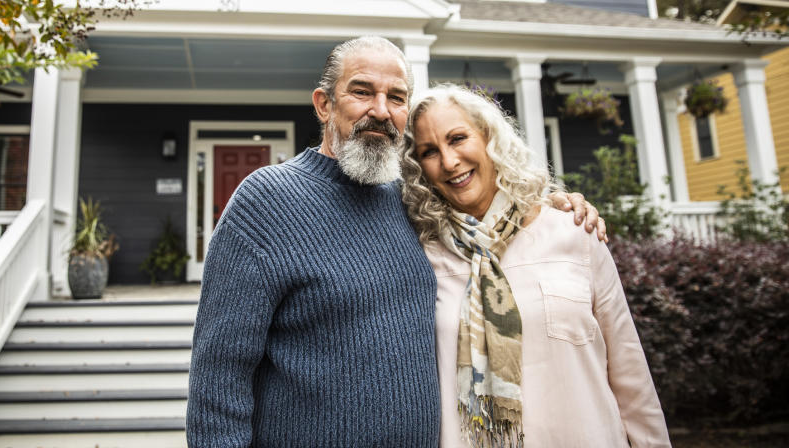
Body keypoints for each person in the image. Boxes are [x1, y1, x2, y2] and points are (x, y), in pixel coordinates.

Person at [186, 36, 604, 447]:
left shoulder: (415, 200)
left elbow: (489, 211)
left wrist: (550, 206)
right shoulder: (266, 201)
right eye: (362, 92)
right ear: (324, 104)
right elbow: (219, 376)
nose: (381, 111)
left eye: (397, 97)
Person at [401, 83, 670, 447]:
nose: (449, 162)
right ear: (419, 169)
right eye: (430, 151)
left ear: (489, 137)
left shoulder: (574, 232)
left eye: (458, 138)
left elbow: (630, 373)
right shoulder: (421, 256)